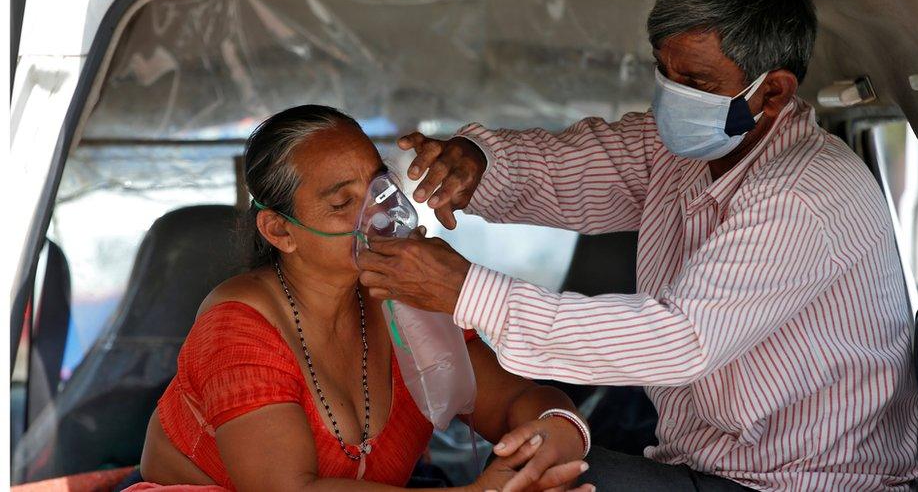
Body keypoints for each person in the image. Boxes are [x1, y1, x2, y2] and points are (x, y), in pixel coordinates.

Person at [358, 0, 918, 490]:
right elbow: (564, 169)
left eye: (696, 81)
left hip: (805, 483)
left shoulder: (804, 192)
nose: (671, 95)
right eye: (664, 70)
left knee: (547, 479)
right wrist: (479, 163)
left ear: (771, 94)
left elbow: (680, 341)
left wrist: (467, 292)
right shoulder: (684, 150)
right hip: (702, 463)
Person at [133, 105, 592, 492]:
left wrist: (555, 432)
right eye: (341, 203)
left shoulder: (407, 299)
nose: (378, 213)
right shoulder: (238, 326)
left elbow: (516, 399)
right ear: (280, 231)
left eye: (378, 187)